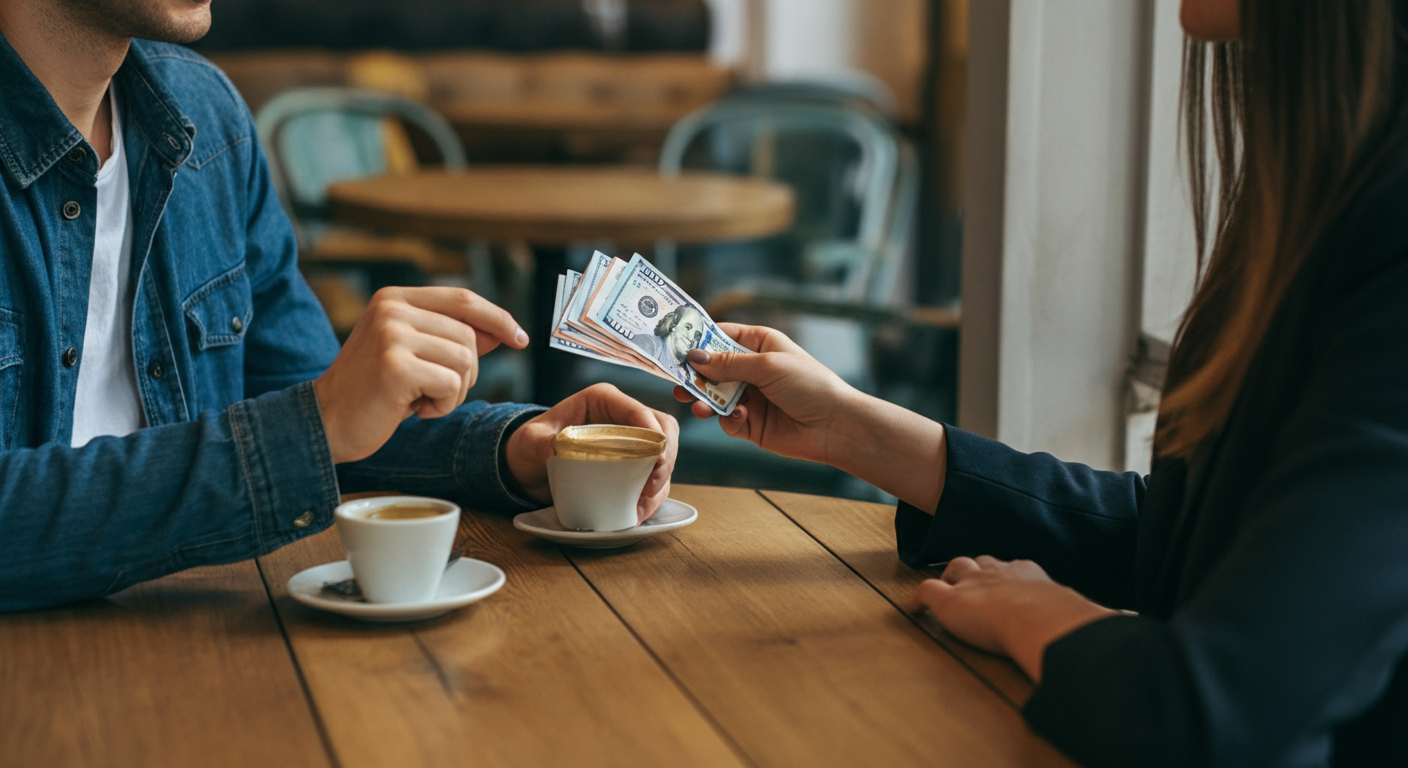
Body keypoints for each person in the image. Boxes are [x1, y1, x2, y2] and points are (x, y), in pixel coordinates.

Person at [673, 0, 1408, 765]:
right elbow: (1197, 540)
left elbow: (1206, 714)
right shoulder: (1337, 184)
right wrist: (849, 428)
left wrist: (1039, 615)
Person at [0, 0, 678, 613]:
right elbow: (305, 432)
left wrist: (507, 451)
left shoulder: (207, 117)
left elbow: (320, 419)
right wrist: (315, 425)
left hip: (201, 643)